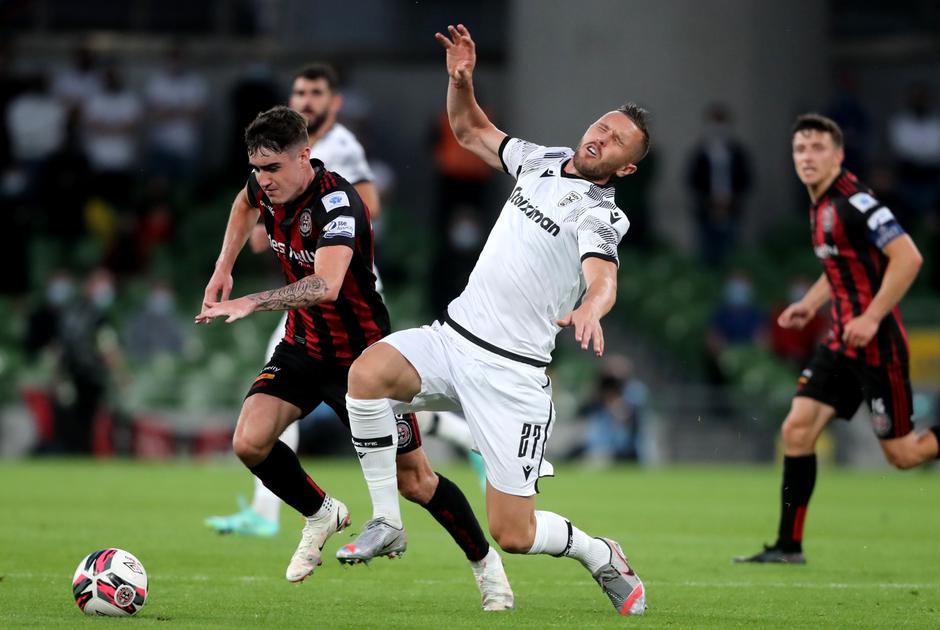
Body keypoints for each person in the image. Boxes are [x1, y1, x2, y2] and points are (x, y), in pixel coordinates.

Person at [339, 24, 647, 616]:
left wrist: (591, 305)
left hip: (514, 375)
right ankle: (386, 520)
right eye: (602, 126)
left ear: (625, 169)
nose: (601, 138)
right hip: (454, 340)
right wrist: (461, 80)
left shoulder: (599, 214)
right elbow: (469, 130)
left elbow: (603, 274)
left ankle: (598, 552)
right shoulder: (543, 160)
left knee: (514, 532)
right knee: (366, 374)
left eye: (616, 143)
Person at [195, 107, 514, 610]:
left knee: (416, 482)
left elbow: (326, 285)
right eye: (257, 169)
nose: (263, 181)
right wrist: (223, 268)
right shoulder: (263, 186)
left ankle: (487, 567)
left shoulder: (337, 204)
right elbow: (243, 204)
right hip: (302, 349)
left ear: (305, 156)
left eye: (273, 169)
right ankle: (321, 514)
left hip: (364, 364)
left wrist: (248, 301)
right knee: (250, 442)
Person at [735, 114, 940, 565]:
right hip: (840, 342)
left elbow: (908, 257)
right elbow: (840, 267)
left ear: (839, 155)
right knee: (797, 428)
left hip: (877, 345)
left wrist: (870, 317)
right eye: (800, 149)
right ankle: (789, 547)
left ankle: (789, 545)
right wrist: (810, 303)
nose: (807, 156)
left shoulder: (857, 202)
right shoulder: (820, 204)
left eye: (817, 148)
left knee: (904, 455)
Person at [205, 63, 382, 538]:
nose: (305, 98)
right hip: (306, 317)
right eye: (299, 90)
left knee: (404, 440)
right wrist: (226, 265)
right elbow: (246, 200)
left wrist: (322, 228)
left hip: (351, 301)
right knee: (262, 415)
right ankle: (287, 509)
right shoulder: (271, 162)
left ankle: (469, 440)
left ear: (333, 101)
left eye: (315, 91)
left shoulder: (340, 150)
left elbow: (369, 205)